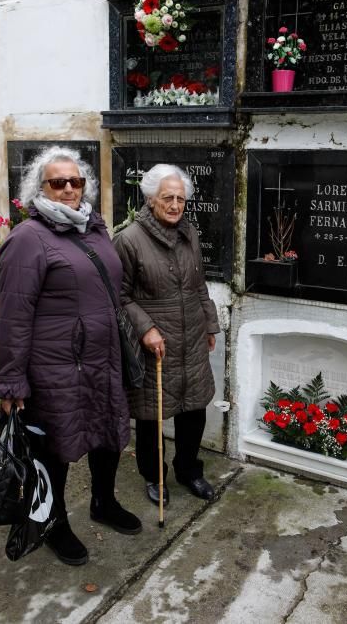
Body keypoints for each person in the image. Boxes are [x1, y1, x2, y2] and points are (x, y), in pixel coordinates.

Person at [0, 145, 141, 567]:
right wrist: (12, 381)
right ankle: (54, 523)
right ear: (41, 188)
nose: (70, 189)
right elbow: (13, 316)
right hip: (55, 366)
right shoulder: (26, 239)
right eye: (59, 182)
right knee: (55, 448)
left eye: (76, 181)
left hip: (102, 359)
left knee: (107, 434)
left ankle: (103, 502)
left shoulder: (92, 229)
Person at [113, 164, 220, 506]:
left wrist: (210, 323)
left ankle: (189, 470)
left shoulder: (190, 234)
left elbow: (199, 285)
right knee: (151, 416)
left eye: (180, 199)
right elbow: (120, 296)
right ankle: (154, 476)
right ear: (150, 199)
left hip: (191, 338)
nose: (175, 205)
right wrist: (146, 330)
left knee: (194, 409)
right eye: (167, 198)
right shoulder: (129, 240)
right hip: (156, 345)